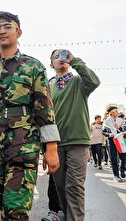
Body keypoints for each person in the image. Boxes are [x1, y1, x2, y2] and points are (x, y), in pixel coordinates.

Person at [0, 11, 60, 220]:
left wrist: (51, 147)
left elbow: (44, 108)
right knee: (4, 206)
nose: (2, 31)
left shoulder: (32, 66)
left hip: (23, 144)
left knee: (16, 209)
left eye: (7, 26)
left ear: (18, 31)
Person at [49, 48, 100, 220]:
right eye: (56, 57)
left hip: (78, 142)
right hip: (55, 144)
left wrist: (76, 60)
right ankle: (68, 215)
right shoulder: (48, 87)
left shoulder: (80, 81)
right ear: (51, 64)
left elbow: (94, 81)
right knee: (60, 186)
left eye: (64, 56)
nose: (61, 58)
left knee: (75, 186)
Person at [102, 106, 125, 182]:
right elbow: (103, 132)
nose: (117, 112)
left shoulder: (120, 120)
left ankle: (122, 170)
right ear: (111, 113)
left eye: (117, 111)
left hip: (120, 139)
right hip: (112, 140)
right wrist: (109, 135)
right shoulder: (107, 121)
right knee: (114, 158)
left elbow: (123, 130)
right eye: (115, 111)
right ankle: (116, 176)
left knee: (123, 157)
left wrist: (119, 128)